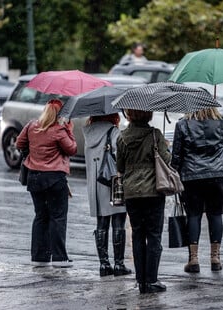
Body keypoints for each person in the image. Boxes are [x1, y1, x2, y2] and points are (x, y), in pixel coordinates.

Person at [171, 107, 223, 273]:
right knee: (215, 214)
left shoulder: (183, 124)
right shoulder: (221, 122)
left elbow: (176, 154)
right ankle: (215, 258)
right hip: (218, 175)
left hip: (192, 177)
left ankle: (193, 259)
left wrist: (174, 173)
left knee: (194, 215)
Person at [16, 99, 77, 268]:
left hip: (34, 177)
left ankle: (39, 256)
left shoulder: (31, 125)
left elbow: (19, 143)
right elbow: (72, 149)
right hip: (55, 178)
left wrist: (34, 149)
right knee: (58, 217)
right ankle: (59, 258)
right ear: (59, 115)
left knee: (41, 216)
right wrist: (69, 130)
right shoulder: (59, 130)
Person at [116, 109, 171, 294]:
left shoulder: (122, 137)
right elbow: (166, 160)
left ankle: (141, 281)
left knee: (137, 235)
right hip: (154, 191)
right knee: (154, 235)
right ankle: (152, 280)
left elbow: (120, 167)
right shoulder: (155, 134)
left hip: (132, 193)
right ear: (148, 114)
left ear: (129, 115)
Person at [83, 113, 132, 277]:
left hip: (96, 185)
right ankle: (119, 264)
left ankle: (104, 264)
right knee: (118, 221)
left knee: (101, 223)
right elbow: (122, 157)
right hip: (113, 182)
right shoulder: (114, 132)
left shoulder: (88, 134)